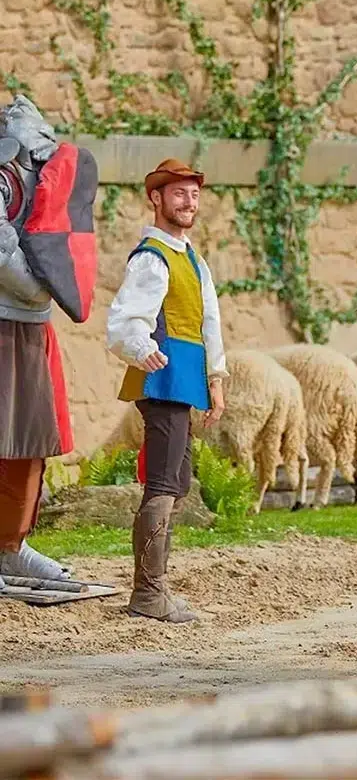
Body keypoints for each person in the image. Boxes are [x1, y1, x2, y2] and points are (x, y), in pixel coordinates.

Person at [106, 158, 227, 623]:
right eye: (178, 194)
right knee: (162, 482)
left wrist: (215, 379)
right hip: (161, 380)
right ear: (156, 198)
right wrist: (140, 346)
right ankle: (148, 593)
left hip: (184, 382)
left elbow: (207, 323)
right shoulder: (152, 258)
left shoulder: (191, 259)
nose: (189, 202)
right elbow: (123, 320)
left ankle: (155, 589)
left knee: (175, 484)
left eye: (194, 194)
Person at [0, 95, 97, 589]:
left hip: (33, 327)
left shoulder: (44, 172)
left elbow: (58, 234)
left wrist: (50, 291)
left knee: (29, 441)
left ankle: (12, 547)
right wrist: (41, 288)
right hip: (3, 319)